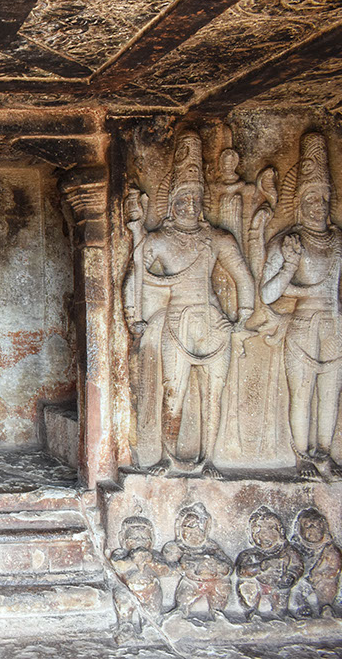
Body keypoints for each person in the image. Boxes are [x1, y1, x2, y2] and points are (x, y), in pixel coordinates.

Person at [126, 131, 254, 477]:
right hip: (178, 321)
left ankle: (210, 459)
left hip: (213, 321)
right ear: (172, 204)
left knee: (215, 393)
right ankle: (170, 459)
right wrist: (132, 315)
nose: (190, 207)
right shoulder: (160, 240)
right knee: (174, 390)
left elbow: (243, 277)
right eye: (184, 200)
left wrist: (243, 317)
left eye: (196, 200)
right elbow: (134, 274)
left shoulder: (216, 239)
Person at [261, 132, 342, 480]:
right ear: (299, 203)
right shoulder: (287, 242)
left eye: (323, 198)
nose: (318, 206)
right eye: (311, 199)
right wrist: (290, 265)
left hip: (335, 327)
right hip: (302, 329)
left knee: (330, 396)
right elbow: (268, 294)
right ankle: (303, 456)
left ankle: (324, 454)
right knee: (302, 395)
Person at [161, 503, 233, 621]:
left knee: (223, 585)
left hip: (213, 581)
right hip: (191, 582)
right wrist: (185, 566)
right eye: (188, 527)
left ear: (206, 529)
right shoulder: (176, 547)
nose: (193, 532)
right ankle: (182, 610)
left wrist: (219, 567)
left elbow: (228, 565)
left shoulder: (211, 546)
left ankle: (217, 612)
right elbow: (168, 565)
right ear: (179, 528)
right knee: (186, 592)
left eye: (198, 528)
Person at [235, 506, 303, 620]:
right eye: (259, 530)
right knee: (246, 586)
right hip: (257, 585)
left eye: (270, 529)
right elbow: (241, 572)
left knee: (281, 600)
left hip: (279, 585)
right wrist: (261, 567)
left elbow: (297, 566)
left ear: (280, 532)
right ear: (251, 534)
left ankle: (280, 613)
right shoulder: (248, 554)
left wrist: (291, 576)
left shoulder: (288, 552)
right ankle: (251, 610)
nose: (264, 534)